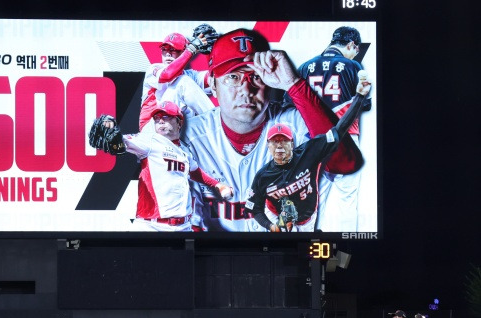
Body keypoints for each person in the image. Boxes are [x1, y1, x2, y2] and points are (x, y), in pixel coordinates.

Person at [181, 28, 363, 231]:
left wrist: (293, 84)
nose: (246, 90)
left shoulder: (294, 121)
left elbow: (346, 164)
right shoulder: (188, 135)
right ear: (213, 85)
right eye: (233, 77)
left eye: (256, 76)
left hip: (288, 254)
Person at [245, 72, 370, 231]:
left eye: (283, 141)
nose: (280, 147)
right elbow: (253, 208)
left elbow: (339, 130)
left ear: (292, 143)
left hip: (306, 218)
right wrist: (270, 226)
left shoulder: (309, 151)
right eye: (275, 142)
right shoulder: (263, 176)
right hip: (274, 216)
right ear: (269, 147)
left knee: (304, 248)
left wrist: (360, 96)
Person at [89, 101, 233, 231]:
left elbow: (195, 172)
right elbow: (122, 141)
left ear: (179, 122)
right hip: (152, 226)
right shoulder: (150, 141)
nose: (160, 122)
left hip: (183, 227)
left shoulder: (184, 150)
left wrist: (218, 185)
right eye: (157, 119)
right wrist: (112, 135)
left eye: (166, 117)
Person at [296, 26, 370, 232]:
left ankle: (305, 241)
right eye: (355, 49)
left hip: (312, 139)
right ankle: (348, 246)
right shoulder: (353, 66)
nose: (355, 53)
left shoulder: (304, 67)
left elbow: (290, 105)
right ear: (351, 45)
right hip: (345, 140)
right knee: (347, 198)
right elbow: (365, 103)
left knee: (311, 198)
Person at [139, 31, 215, 131]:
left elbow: (214, 76)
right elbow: (167, 75)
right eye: (164, 49)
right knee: (183, 82)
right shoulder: (154, 69)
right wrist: (191, 50)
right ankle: (216, 123)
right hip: (152, 127)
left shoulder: (190, 75)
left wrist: (218, 51)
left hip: (177, 131)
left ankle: (218, 128)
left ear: (183, 52)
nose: (168, 53)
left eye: (173, 49)